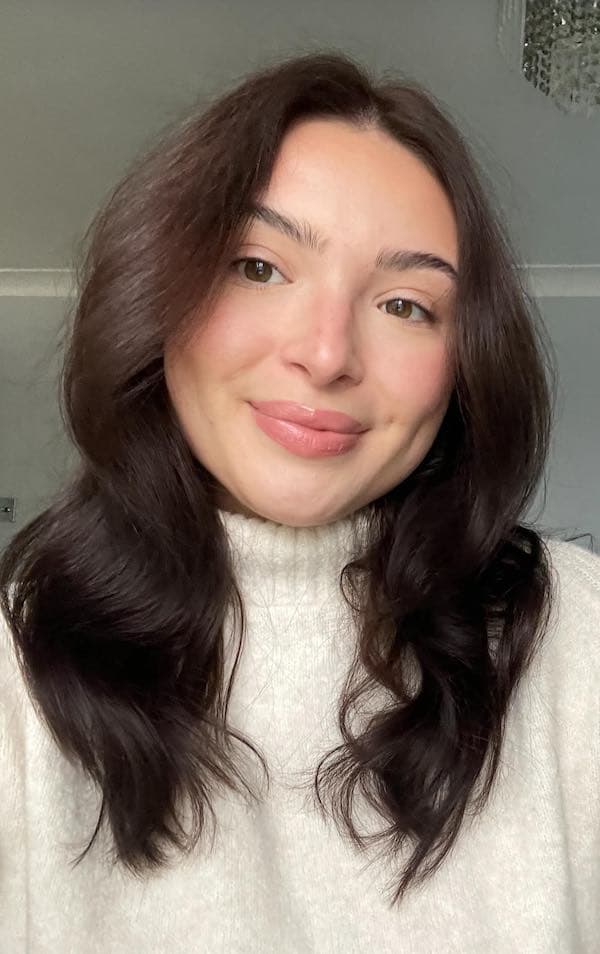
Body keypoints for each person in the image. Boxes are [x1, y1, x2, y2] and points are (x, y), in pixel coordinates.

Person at [1, 50, 598, 954]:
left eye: (405, 305)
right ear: (159, 291)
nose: (326, 356)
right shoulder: (17, 666)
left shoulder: (578, 642)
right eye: (258, 266)